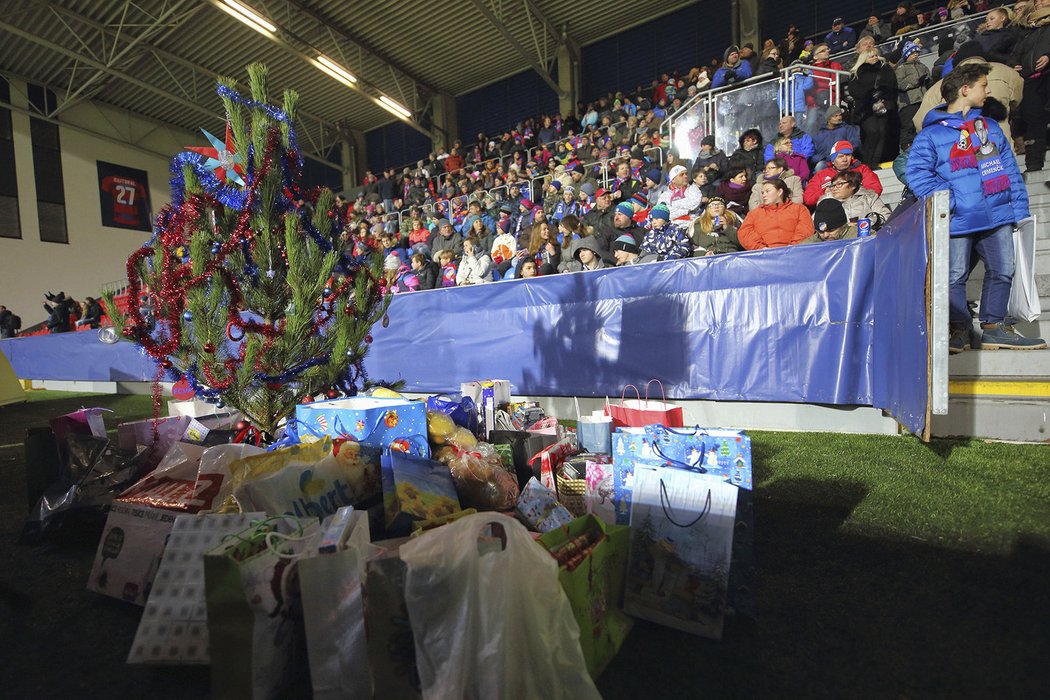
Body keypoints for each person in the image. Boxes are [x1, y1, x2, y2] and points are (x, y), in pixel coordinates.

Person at [907, 62, 1045, 352]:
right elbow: (917, 174)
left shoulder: (990, 127)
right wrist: (952, 202)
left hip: (998, 215)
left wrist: (1018, 211)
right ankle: (958, 330)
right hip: (958, 218)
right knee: (955, 275)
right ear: (965, 90)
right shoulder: (931, 135)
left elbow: (1009, 171)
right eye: (983, 85)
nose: (989, 90)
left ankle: (994, 328)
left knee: (1003, 270)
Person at [1010, 0, 1050, 173]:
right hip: (1031, 80)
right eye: (1036, 0)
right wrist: (1014, 64)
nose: (1039, 3)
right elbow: (1015, 54)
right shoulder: (1027, 30)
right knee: (1033, 122)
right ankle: (1033, 165)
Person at [848, 48, 900, 166]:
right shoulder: (856, 73)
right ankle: (866, 164)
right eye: (872, 56)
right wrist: (870, 96)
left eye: (876, 55)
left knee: (882, 134)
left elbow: (892, 85)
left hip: (882, 105)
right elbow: (854, 90)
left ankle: (874, 164)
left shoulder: (884, 69)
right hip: (865, 108)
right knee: (873, 132)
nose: (875, 58)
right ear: (864, 58)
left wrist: (882, 94)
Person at [737, 179, 814, 250]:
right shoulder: (754, 214)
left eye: (768, 191)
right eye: (763, 193)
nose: (764, 195)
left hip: (795, 253)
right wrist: (761, 248)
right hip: (763, 256)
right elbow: (745, 233)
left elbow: (805, 229)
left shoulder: (799, 209)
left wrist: (793, 247)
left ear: (780, 192)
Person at [804, 141, 884, 207]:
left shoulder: (862, 169)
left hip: (859, 206)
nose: (845, 159)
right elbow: (808, 199)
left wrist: (852, 193)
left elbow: (875, 188)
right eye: (840, 156)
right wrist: (825, 192)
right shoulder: (821, 175)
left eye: (848, 155)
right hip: (832, 209)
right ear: (833, 160)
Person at [818, 170, 892, 225]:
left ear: (853, 185)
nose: (834, 188)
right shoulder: (826, 203)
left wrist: (866, 224)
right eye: (832, 185)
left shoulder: (869, 197)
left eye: (839, 184)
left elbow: (886, 217)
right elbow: (819, 225)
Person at [895, 42, 931, 149]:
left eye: (917, 52)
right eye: (912, 53)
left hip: (923, 100)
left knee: (925, 124)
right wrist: (916, 80)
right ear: (907, 55)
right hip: (908, 102)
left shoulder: (922, 66)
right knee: (909, 127)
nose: (915, 54)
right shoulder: (901, 68)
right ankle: (907, 149)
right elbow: (900, 84)